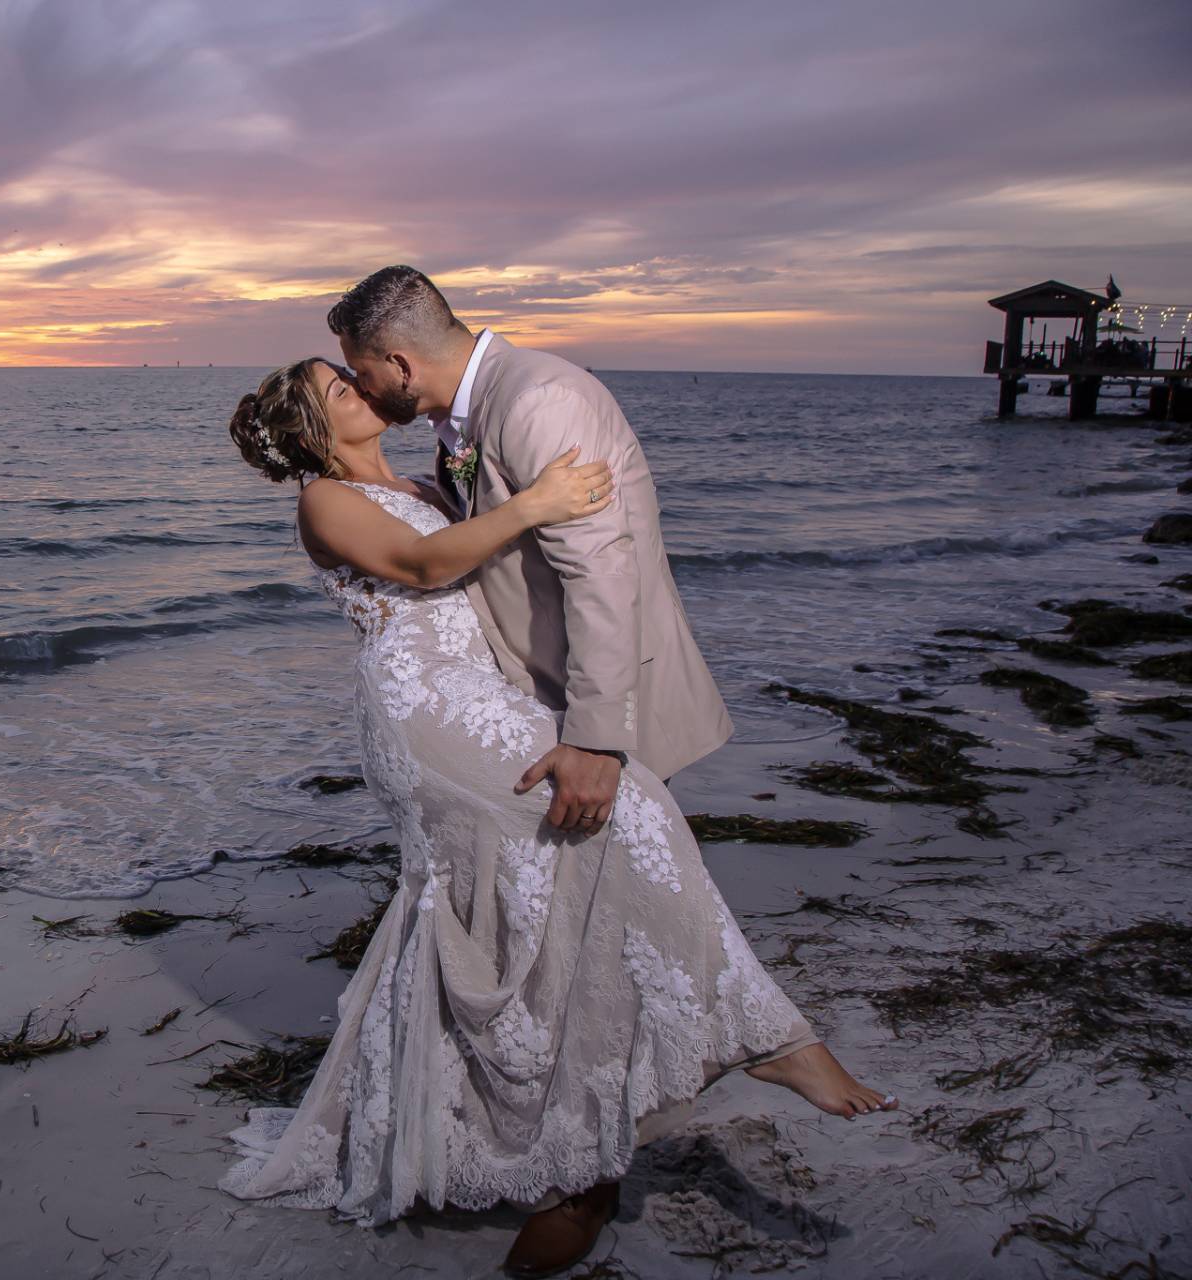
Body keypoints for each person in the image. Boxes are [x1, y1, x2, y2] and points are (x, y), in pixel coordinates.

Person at [218, 350, 896, 1277]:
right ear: (312, 427)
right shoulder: (323, 499)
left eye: (355, 376)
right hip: (426, 713)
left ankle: (585, 1128)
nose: (361, 391)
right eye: (341, 390)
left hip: (483, 695)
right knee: (627, 817)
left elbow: (479, 563)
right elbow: (421, 565)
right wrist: (534, 502)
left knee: (576, 863)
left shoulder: (418, 478)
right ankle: (758, 1045)